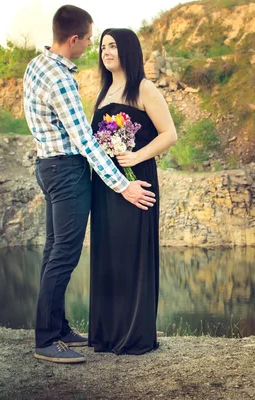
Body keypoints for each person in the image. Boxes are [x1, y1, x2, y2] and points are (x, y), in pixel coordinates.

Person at [23, 6, 156, 364]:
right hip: (67, 171)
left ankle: (59, 326)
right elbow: (84, 140)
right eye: (91, 40)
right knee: (64, 254)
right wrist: (122, 185)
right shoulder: (62, 79)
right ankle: (47, 339)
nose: (93, 47)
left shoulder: (37, 65)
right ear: (74, 39)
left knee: (54, 249)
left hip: (47, 166)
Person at [89, 28, 177, 355]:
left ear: (127, 49)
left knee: (131, 253)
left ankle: (135, 336)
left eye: (112, 46)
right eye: (102, 47)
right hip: (107, 184)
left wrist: (136, 155)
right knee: (108, 254)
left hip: (136, 178)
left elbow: (170, 134)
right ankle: (107, 335)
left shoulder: (144, 88)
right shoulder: (104, 91)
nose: (106, 51)